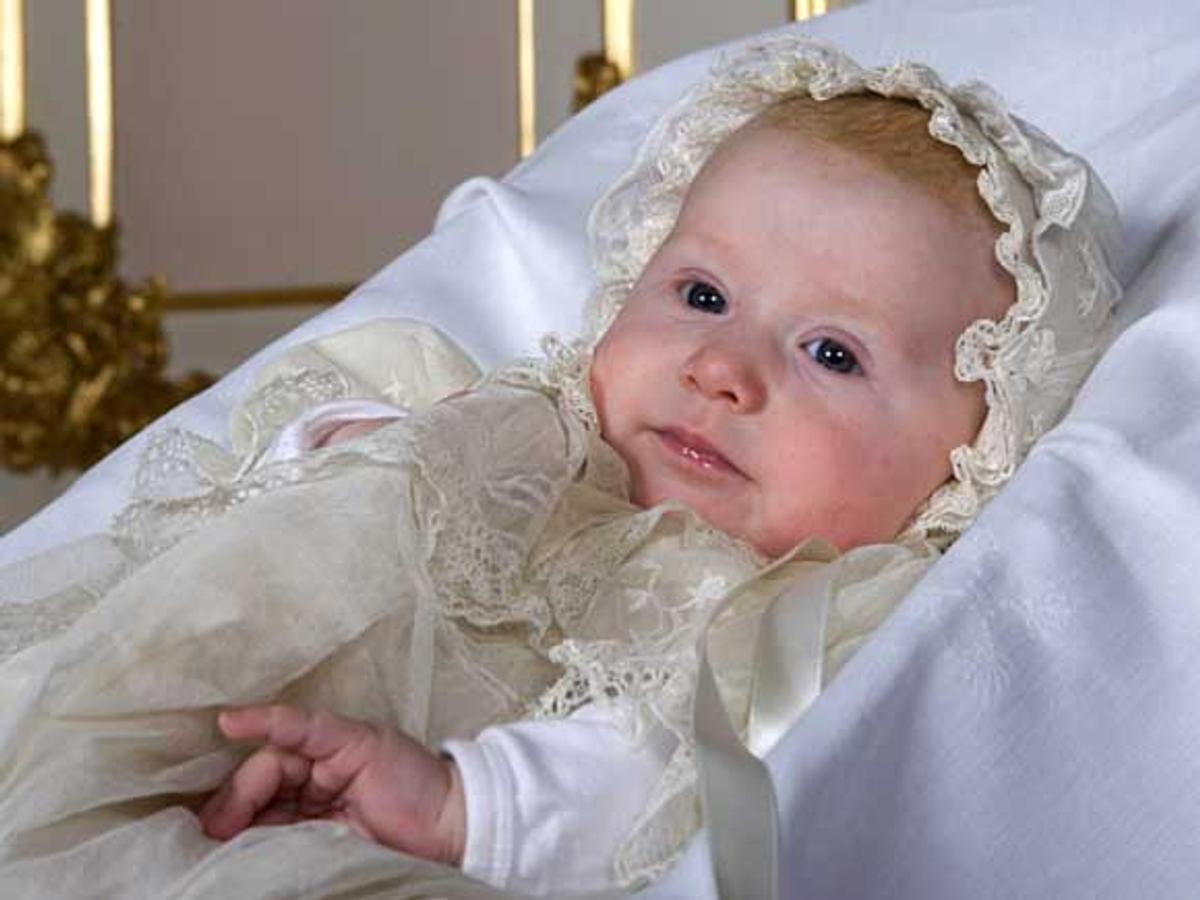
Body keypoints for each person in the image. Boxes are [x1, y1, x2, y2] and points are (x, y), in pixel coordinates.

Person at [0, 37, 1120, 898]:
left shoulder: (798, 622)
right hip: (193, 734)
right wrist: (378, 464)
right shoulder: (524, 429)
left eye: (833, 353)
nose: (721, 369)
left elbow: (672, 779)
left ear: (969, 462)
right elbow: (253, 506)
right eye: (701, 295)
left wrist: (463, 806)